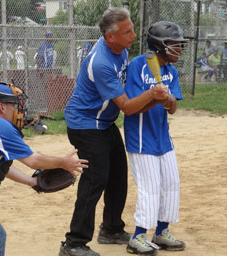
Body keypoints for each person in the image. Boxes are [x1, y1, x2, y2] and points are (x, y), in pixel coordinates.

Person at [61, 7, 168, 256]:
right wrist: (152, 94)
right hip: (85, 124)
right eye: (127, 31)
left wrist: (151, 90)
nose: (133, 35)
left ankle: (111, 229)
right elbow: (128, 108)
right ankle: (74, 243)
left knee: (118, 176)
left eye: (131, 29)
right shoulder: (101, 62)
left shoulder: (120, 48)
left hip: (104, 123)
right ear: (110, 37)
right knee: (95, 179)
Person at [0, 81, 88, 256]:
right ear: (2, 107)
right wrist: (63, 162)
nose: (17, 111)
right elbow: (33, 161)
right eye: (14, 105)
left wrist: (31, 181)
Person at [124, 21, 187, 256]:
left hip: (163, 138)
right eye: (174, 43)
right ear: (159, 46)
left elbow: (172, 108)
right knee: (150, 188)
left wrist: (166, 98)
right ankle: (138, 237)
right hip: (141, 139)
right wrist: (152, 94)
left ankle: (161, 232)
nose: (179, 47)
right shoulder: (138, 66)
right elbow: (130, 106)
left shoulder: (171, 72)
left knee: (171, 185)